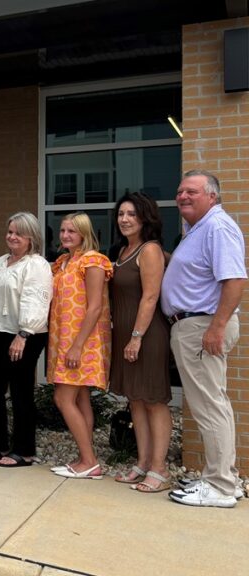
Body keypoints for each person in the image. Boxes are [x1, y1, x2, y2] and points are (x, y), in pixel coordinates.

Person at [164, 170, 246, 508]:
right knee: (215, 404)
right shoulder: (198, 229)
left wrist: (216, 326)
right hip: (197, 325)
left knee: (209, 407)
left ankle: (220, 486)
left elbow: (235, 280)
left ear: (212, 196)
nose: (182, 196)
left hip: (202, 326)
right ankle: (223, 476)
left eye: (192, 192)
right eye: (180, 190)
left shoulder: (217, 227)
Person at [108, 192, 172, 492]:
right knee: (135, 399)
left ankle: (159, 469)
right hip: (125, 335)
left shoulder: (149, 250)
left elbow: (150, 296)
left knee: (153, 400)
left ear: (145, 217)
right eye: (121, 214)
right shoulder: (122, 250)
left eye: (131, 214)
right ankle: (143, 462)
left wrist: (136, 337)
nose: (125, 219)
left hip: (146, 335)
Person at [0, 212, 52, 468]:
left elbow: (36, 300)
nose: (12, 237)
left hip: (26, 335)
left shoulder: (37, 265)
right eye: (10, 232)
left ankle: (24, 450)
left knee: (20, 392)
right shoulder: (1, 261)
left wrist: (23, 334)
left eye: (18, 233)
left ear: (31, 237)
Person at [47, 212, 112, 480]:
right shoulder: (63, 262)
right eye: (62, 231)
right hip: (62, 339)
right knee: (80, 397)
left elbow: (95, 306)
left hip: (80, 341)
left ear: (84, 234)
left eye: (72, 231)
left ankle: (89, 460)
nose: (65, 236)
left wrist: (77, 346)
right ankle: (86, 457)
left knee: (63, 398)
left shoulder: (93, 261)